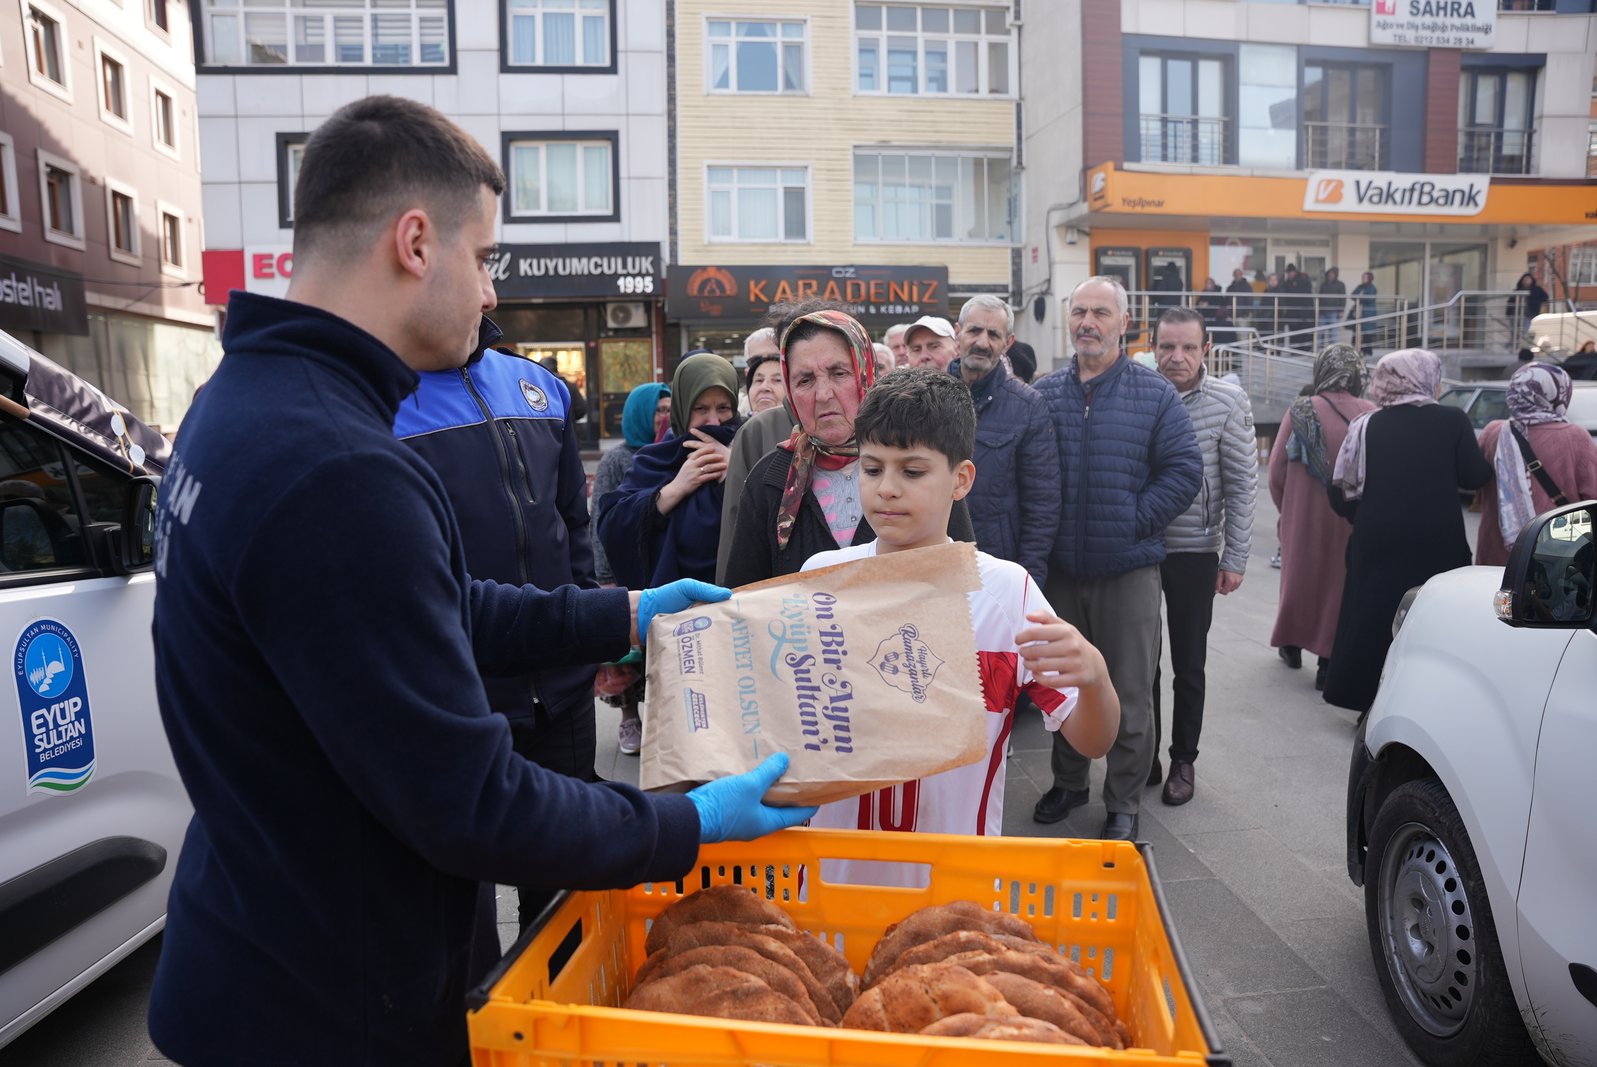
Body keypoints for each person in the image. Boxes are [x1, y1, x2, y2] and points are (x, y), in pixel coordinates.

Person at [146, 94, 813, 1066]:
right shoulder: (334, 462)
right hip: (331, 1007)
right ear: (415, 241)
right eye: (485, 255)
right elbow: (476, 803)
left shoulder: (243, 405)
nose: (491, 291)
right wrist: (689, 821)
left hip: (261, 944)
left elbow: (426, 610)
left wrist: (621, 611)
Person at [804, 369, 1120, 886]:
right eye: (871, 468)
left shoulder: (1005, 593)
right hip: (829, 886)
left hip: (957, 893)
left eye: (912, 471)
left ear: (962, 479)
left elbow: (1093, 740)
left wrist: (1095, 678)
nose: (886, 489)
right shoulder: (820, 579)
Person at [396, 328, 604, 927]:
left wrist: (591, 632)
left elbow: (573, 522)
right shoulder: (380, 404)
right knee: (463, 910)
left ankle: (562, 1017)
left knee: (565, 895)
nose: (487, 294)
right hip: (461, 701)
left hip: (561, 697)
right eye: (477, 263)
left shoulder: (541, 386)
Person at [1032, 276, 1202, 840]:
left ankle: (1124, 800)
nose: (1088, 322)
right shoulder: (1047, 393)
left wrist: (1132, 519)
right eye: (1079, 311)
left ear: (1123, 324)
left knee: (1129, 691)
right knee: (1062, 684)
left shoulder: (1152, 394)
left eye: (1100, 312)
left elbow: (1184, 470)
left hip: (1128, 568)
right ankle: (1069, 781)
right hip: (1061, 571)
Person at [723, 303, 974, 587]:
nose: (823, 394)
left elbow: (962, 580)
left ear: (866, 373)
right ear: (790, 392)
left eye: (839, 373)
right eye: (805, 380)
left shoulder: (920, 462)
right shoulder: (770, 480)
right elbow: (744, 598)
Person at [1324, 349, 1492, 715]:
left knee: (1372, 615)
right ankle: (1426, 700)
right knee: (1432, 617)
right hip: (1437, 541)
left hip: (1377, 539)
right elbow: (1473, 476)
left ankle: (1367, 700)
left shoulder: (1366, 425)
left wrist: (1365, 520)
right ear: (1427, 377)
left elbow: (1340, 490)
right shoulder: (1452, 420)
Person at [1147, 307, 1256, 806]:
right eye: (1168, 346)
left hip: (1195, 550)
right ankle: (1143, 752)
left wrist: (1234, 556)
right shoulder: (1138, 393)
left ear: (1205, 350)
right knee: (1139, 661)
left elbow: (1241, 483)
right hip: (1141, 547)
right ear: (1152, 346)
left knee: (1188, 663)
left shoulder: (1228, 402)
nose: (1177, 357)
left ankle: (1183, 760)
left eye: (1188, 347)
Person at [1268, 345, 1374, 691]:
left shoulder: (1301, 410)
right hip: (1351, 518)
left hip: (1303, 515)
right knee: (1338, 587)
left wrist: (1288, 508)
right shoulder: (1371, 413)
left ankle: (1291, 645)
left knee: (1299, 578)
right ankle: (1327, 663)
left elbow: (1276, 470)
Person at [597, 353, 743, 588]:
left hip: (740, 603)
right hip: (672, 610)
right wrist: (674, 489)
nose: (714, 421)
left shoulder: (751, 449)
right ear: (682, 408)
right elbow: (612, 527)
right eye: (700, 408)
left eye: (723, 407)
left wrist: (736, 470)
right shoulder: (654, 460)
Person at [950, 293, 1059, 586]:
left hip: (998, 568)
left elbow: (1042, 506)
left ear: (1007, 343)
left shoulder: (1028, 406)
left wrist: (1027, 582)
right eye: (974, 331)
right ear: (958, 333)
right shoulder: (931, 396)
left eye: (993, 334)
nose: (982, 343)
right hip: (938, 563)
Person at [590, 381, 670, 755]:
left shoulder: (673, 451)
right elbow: (600, 521)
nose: (664, 417)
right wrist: (604, 577)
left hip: (659, 567)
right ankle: (628, 718)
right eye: (657, 410)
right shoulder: (616, 460)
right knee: (626, 656)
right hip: (620, 572)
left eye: (670, 408)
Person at [1476, 362, 1597, 566]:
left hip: (1495, 548)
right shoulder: (1576, 437)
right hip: (1557, 554)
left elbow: (1478, 489)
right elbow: (1592, 497)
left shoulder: (1493, 432)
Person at [742, 327, 783, 414]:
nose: (765, 364)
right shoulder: (735, 419)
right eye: (756, 360)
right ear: (747, 372)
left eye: (775, 358)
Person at [537, 355, 588, 423]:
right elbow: (581, 409)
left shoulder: (538, 388)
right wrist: (571, 418)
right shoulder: (570, 386)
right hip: (567, 429)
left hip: (545, 430)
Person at [1279, 264, 1315, 340]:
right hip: (1294, 314)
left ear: (1294, 272)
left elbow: (1304, 294)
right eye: (1288, 273)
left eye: (1290, 272)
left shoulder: (1302, 280)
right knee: (1295, 335)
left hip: (1303, 314)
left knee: (1303, 335)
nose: (1289, 274)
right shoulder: (1287, 282)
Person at [1510, 272, 1550, 338]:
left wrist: (1537, 302)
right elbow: (1511, 301)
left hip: (1529, 315)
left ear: (1532, 280)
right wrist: (1509, 313)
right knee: (1514, 334)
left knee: (1523, 333)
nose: (1526, 281)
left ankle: (1520, 346)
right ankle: (1514, 346)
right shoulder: (1518, 290)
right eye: (1525, 279)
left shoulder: (1536, 289)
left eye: (1528, 279)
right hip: (1515, 316)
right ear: (1522, 280)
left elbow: (1545, 297)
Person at [1316, 267, 1347, 352]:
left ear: (1335, 275)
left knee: (1333, 333)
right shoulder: (1324, 284)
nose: (1331, 275)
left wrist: (1341, 310)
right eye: (1329, 274)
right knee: (1320, 332)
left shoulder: (1340, 284)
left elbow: (1343, 298)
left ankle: (1334, 350)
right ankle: (1318, 349)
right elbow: (1320, 297)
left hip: (1334, 311)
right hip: (1323, 312)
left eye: (1332, 274)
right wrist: (1318, 309)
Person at [1350, 272, 1378, 352]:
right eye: (1362, 277)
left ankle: (1367, 352)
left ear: (1369, 278)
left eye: (1364, 277)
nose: (1363, 279)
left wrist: (1360, 298)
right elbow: (1353, 295)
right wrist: (1360, 297)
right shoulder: (1360, 287)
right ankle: (1354, 350)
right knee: (1356, 331)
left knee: (1367, 333)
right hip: (1359, 313)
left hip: (1368, 313)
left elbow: (1370, 299)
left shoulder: (1372, 288)